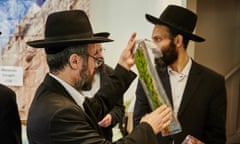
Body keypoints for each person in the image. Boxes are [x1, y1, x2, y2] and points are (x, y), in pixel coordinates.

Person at [26, 10, 172, 144]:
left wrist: (123, 67)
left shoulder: (55, 93)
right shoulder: (60, 113)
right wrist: (147, 127)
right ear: (75, 61)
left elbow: (96, 107)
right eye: (94, 56)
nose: (96, 64)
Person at [133, 5, 227, 144]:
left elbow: (217, 138)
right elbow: (138, 127)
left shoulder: (213, 82)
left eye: (158, 40)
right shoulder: (148, 79)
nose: (152, 47)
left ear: (177, 41)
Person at [82, 32, 125, 141]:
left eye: (101, 50)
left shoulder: (111, 74)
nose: (101, 56)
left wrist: (111, 117)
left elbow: (119, 108)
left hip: (104, 136)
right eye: (96, 52)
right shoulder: (77, 77)